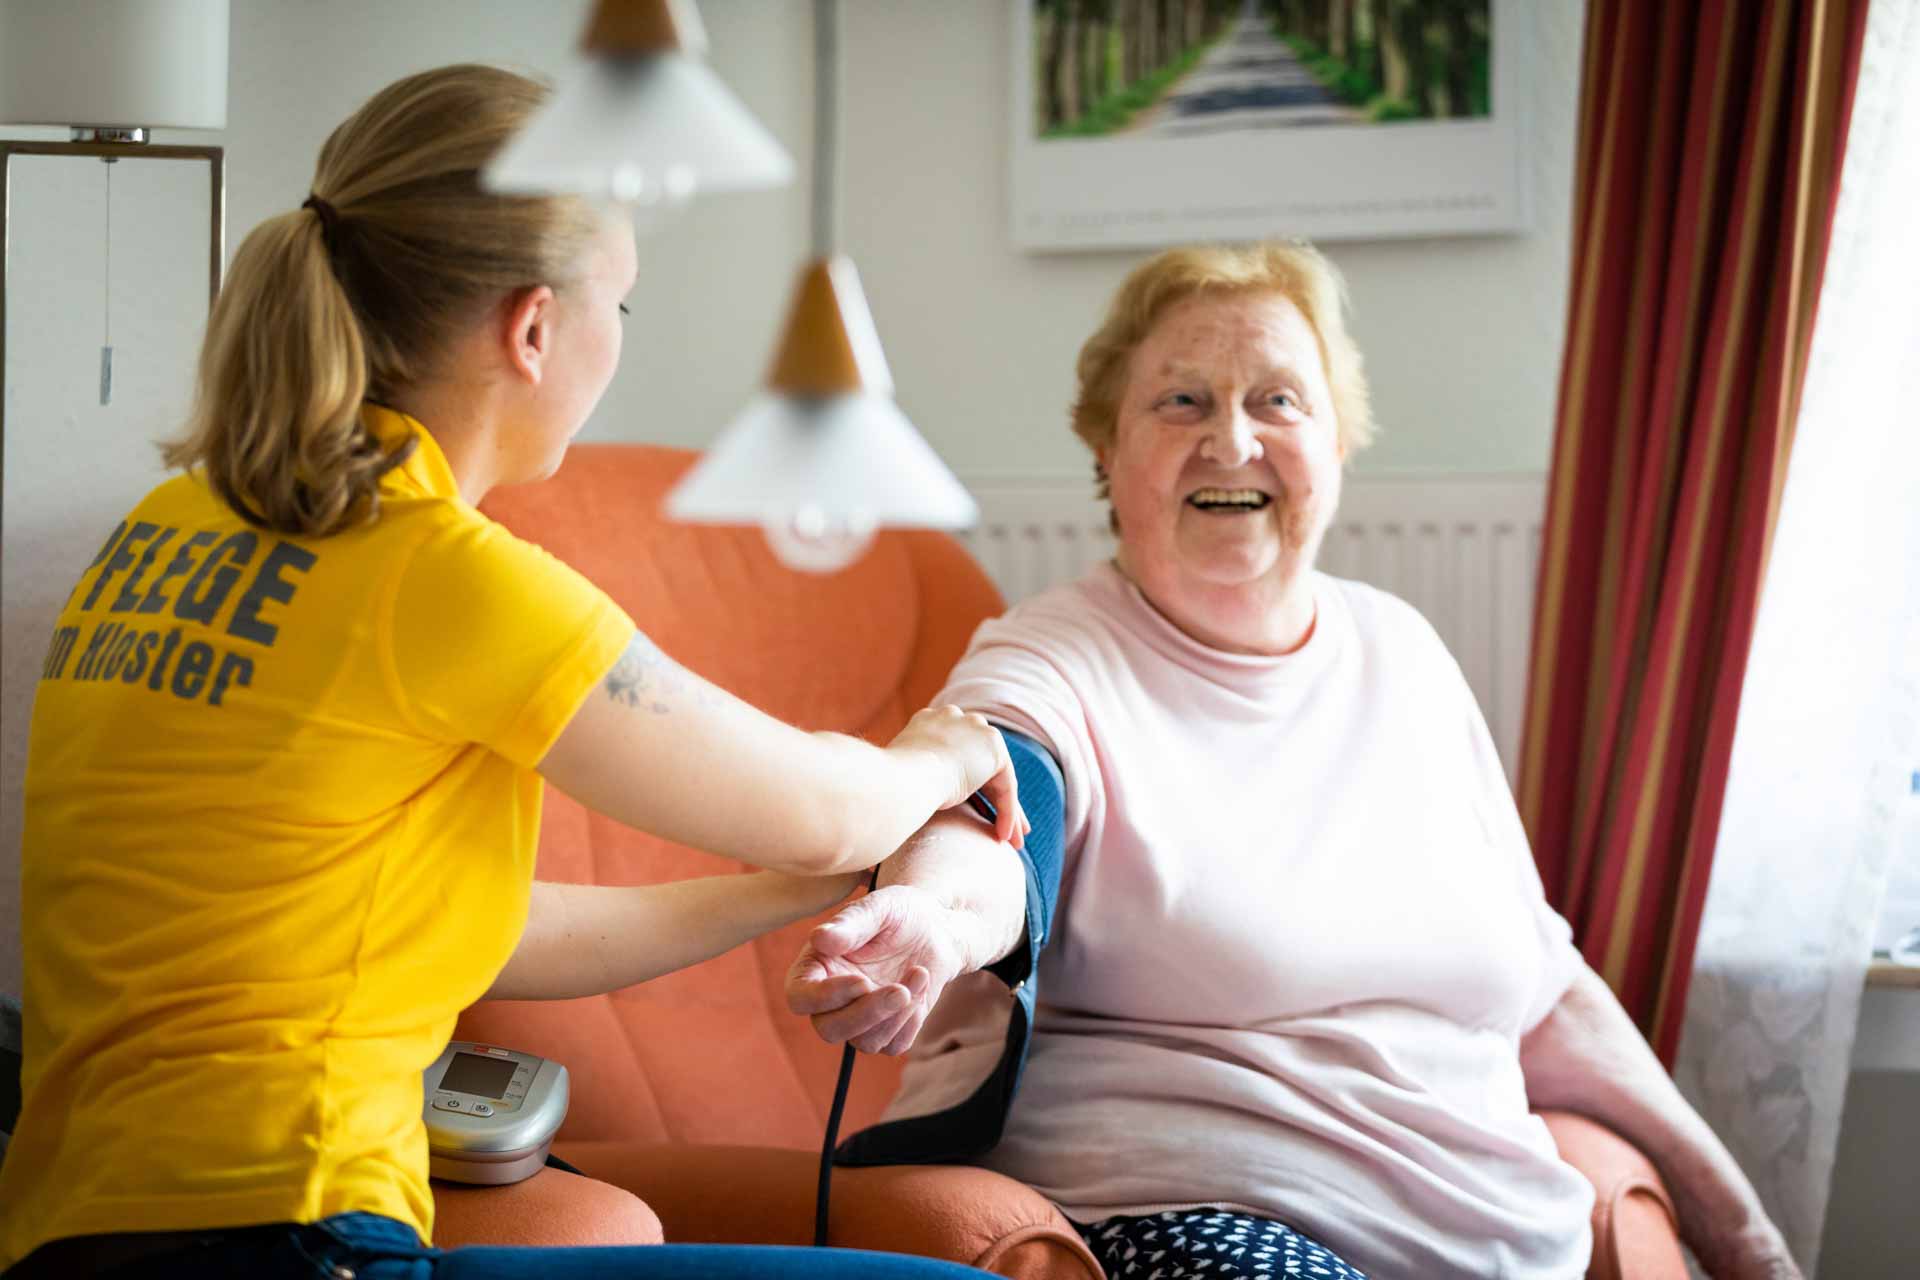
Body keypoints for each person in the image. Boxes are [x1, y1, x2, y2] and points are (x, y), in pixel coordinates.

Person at [0, 64, 1027, 1280]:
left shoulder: (168, 528)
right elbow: (816, 803)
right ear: (535, 328)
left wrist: (793, 890)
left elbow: (471, 928)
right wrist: (961, 739)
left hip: (69, 1238)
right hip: (290, 1228)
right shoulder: (440, 574)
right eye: (623, 309)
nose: (617, 346)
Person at [785, 243, 1799, 1279]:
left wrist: (1752, 1243)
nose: (1232, 439)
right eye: (1181, 401)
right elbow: (996, 818)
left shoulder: (1402, 653)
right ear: (1106, 446)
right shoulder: (1052, 658)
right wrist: (932, 921)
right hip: (1202, 1220)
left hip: (1507, 1241)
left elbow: (1544, 988)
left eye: (1278, 400)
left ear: (1338, 440)